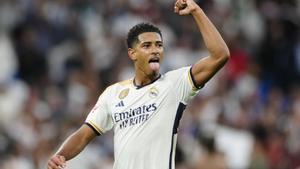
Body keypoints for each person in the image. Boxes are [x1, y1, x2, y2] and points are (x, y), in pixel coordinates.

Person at [47, 0, 230, 168]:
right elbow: (83, 135)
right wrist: (59, 156)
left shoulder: (175, 84)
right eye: (147, 45)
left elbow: (220, 55)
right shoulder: (113, 93)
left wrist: (196, 11)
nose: (155, 50)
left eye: (159, 45)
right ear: (132, 53)